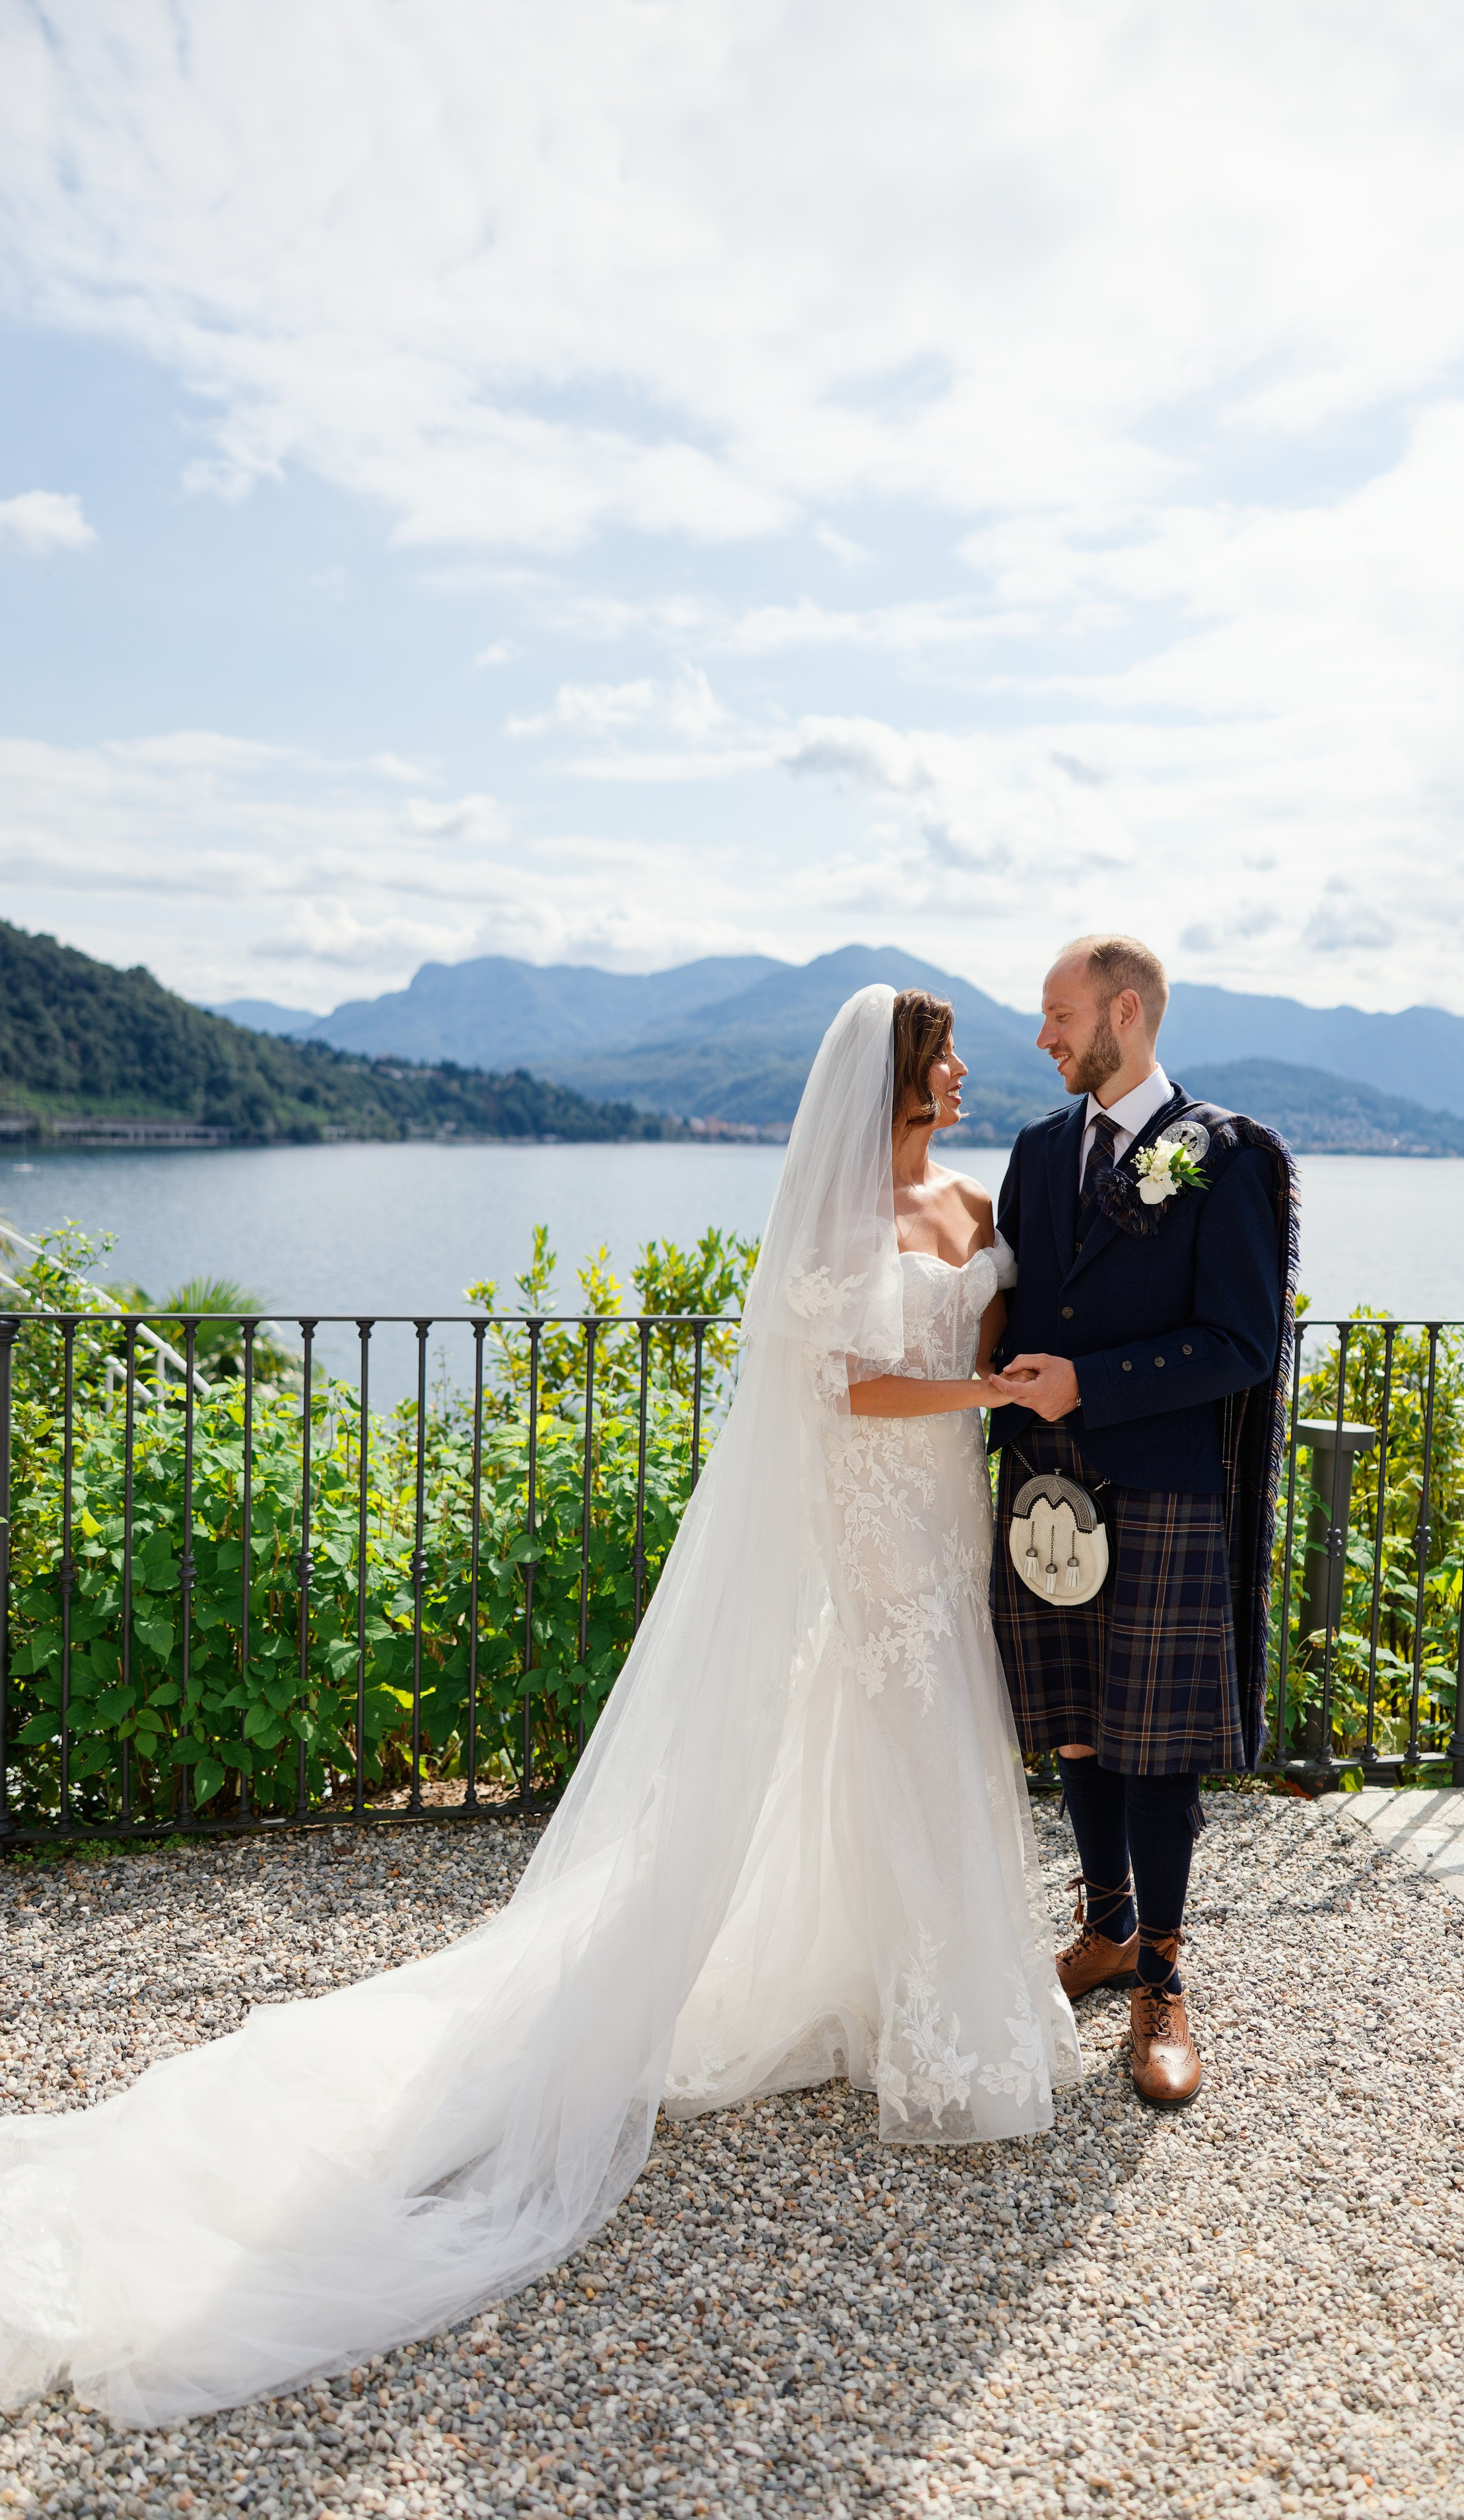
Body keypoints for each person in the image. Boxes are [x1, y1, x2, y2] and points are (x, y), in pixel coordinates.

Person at [0, 984, 1080, 2427]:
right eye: (940, 1053)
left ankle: (910, 1990)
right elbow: (846, 1390)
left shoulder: (968, 1196)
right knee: (901, 1725)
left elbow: (989, 1328)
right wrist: (983, 1398)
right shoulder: (832, 1221)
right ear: (889, 1077)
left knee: (924, 1737)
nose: (961, 1069)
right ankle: (937, 2024)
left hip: (951, 1524)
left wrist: (1008, 1382)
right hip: (881, 1523)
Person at [989, 934, 1296, 2107]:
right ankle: (1107, 1926)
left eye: (1059, 1014)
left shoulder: (1227, 1158)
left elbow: (1241, 1344)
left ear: (1126, 1012)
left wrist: (1095, 1385)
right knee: (1074, 1722)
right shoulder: (1032, 1151)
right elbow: (1017, 1305)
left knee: (1156, 1744)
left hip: (1164, 1488)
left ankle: (1165, 1973)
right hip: (1042, 1487)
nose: (1044, 1036)